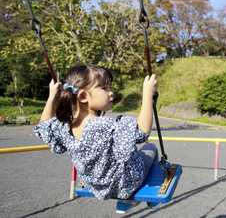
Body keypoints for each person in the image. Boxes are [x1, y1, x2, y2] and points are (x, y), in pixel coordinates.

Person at [34, 64, 159, 214]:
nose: (111, 92)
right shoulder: (103, 125)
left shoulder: (63, 126)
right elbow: (142, 131)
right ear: (83, 96)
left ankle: (127, 199)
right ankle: (133, 199)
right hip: (124, 184)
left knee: (127, 152)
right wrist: (148, 95)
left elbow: (43, 126)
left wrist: (52, 96)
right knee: (150, 149)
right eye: (104, 88)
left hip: (93, 184)